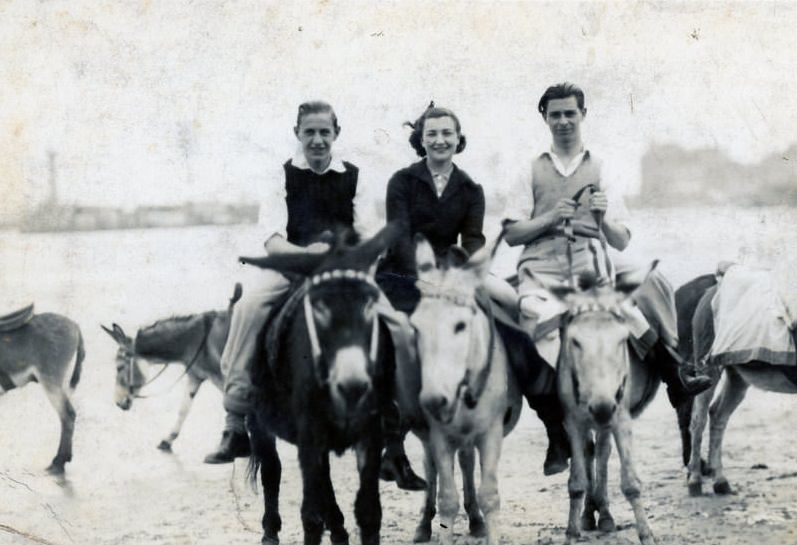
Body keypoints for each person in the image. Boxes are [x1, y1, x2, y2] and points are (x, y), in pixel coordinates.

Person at [204, 101, 426, 492]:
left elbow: (367, 235)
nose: (318, 140)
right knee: (247, 307)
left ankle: (397, 431)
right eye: (310, 132)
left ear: (336, 134)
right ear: (298, 134)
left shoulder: (354, 176)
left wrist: (347, 262)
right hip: (292, 268)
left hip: (343, 271)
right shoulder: (281, 175)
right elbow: (271, 238)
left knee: (398, 325)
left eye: (325, 132)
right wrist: (307, 256)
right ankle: (235, 419)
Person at [376, 104, 571, 475]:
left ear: (457, 139)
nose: (440, 140)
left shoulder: (470, 188)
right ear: (420, 139)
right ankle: (394, 445)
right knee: (393, 335)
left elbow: (475, 241)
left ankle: (553, 428)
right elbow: (399, 238)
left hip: (456, 275)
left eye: (447, 133)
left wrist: (465, 272)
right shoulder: (401, 182)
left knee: (515, 316)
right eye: (432, 134)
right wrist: (429, 275)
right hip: (404, 276)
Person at [504, 82, 713, 398]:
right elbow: (510, 234)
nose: (563, 121)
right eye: (555, 114)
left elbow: (621, 241)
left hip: (590, 263)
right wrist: (549, 218)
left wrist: (602, 220)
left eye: (570, 114)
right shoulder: (529, 170)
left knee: (634, 301)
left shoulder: (603, 168)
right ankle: (544, 403)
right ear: (545, 117)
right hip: (542, 265)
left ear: (583, 114)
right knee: (534, 316)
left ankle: (673, 373)